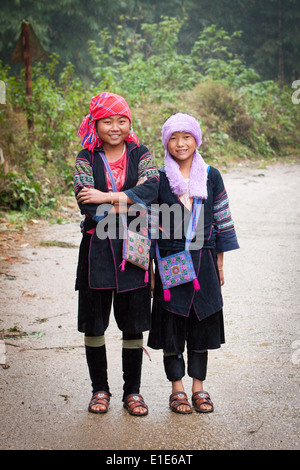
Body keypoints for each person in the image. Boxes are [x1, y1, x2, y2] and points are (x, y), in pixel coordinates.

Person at [74, 92, 159, 416]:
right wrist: (128, 200)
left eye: (121, 120)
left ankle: (132, 393)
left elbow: (151, 191)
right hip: (96, 252)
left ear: (129, 123)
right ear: (96, 124)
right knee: (94, 326)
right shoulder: (86, 156)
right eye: (108, 121)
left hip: (134, 251)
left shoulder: (141, 153)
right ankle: (100, 390)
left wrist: (107, 196)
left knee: (133, 324)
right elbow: (85, 201)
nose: (115, 127)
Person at [148, 113, 239, 414]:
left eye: (186, 136)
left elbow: (223, 221)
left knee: (202, 325)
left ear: (196, 139)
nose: (180, 143)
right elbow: (148, 224)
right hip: (170, 262)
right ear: (166, 143)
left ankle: (199, 388)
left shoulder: (211, 176)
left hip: (204, 261)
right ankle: (177, 390)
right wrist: (151, 268)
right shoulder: (159, 179)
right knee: (173, 325)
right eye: (173, 138)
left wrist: (220, 266)